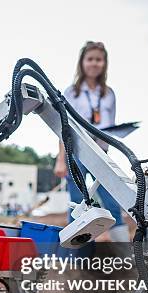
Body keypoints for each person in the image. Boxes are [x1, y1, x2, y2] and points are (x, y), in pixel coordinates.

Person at [54, 41, 129, 242]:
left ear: (104, 63)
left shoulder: (109, 94)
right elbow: (64, 127)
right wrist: (61, 159)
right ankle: (79, 254)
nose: (94, 63)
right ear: (82, 62)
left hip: (101, 155)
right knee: (78, 203)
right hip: (77, 153)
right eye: (90, 59)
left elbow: (110, 125)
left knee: (112, 200)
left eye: (98, 59)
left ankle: (124, 253)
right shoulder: (71, 92)